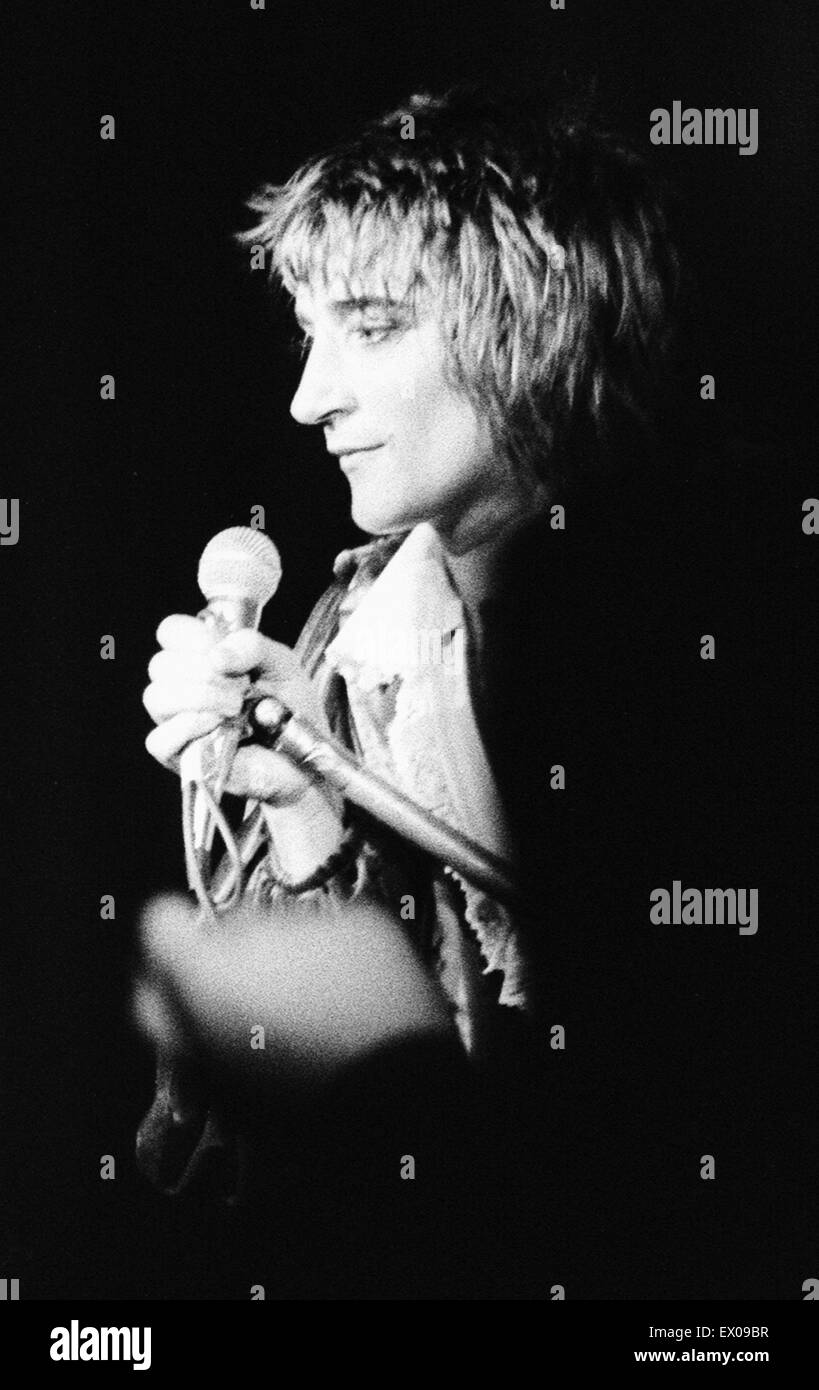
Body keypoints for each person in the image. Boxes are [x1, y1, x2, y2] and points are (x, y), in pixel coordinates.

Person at [136, 87, 691, 1297]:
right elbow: (309, 1182)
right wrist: (302, 801)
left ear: (541, 324)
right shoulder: (349, 636)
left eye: (373, 327)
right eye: (308, 335)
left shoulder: (720, 619)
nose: (307, 398)